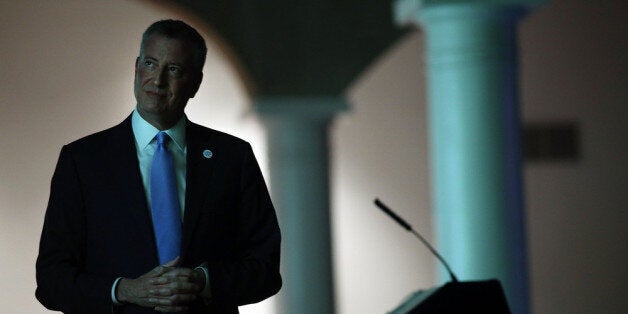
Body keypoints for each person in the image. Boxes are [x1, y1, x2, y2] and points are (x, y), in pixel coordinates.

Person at [36, 20, 281, 314]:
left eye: (174, 69)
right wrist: (123, 290)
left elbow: (265, 268)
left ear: (196, 83)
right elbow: (51, 281)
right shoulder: (82, 161)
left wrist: (203, 281)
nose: (158, 80)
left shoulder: (232, 157)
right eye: (151, 64)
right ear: (137, 68)